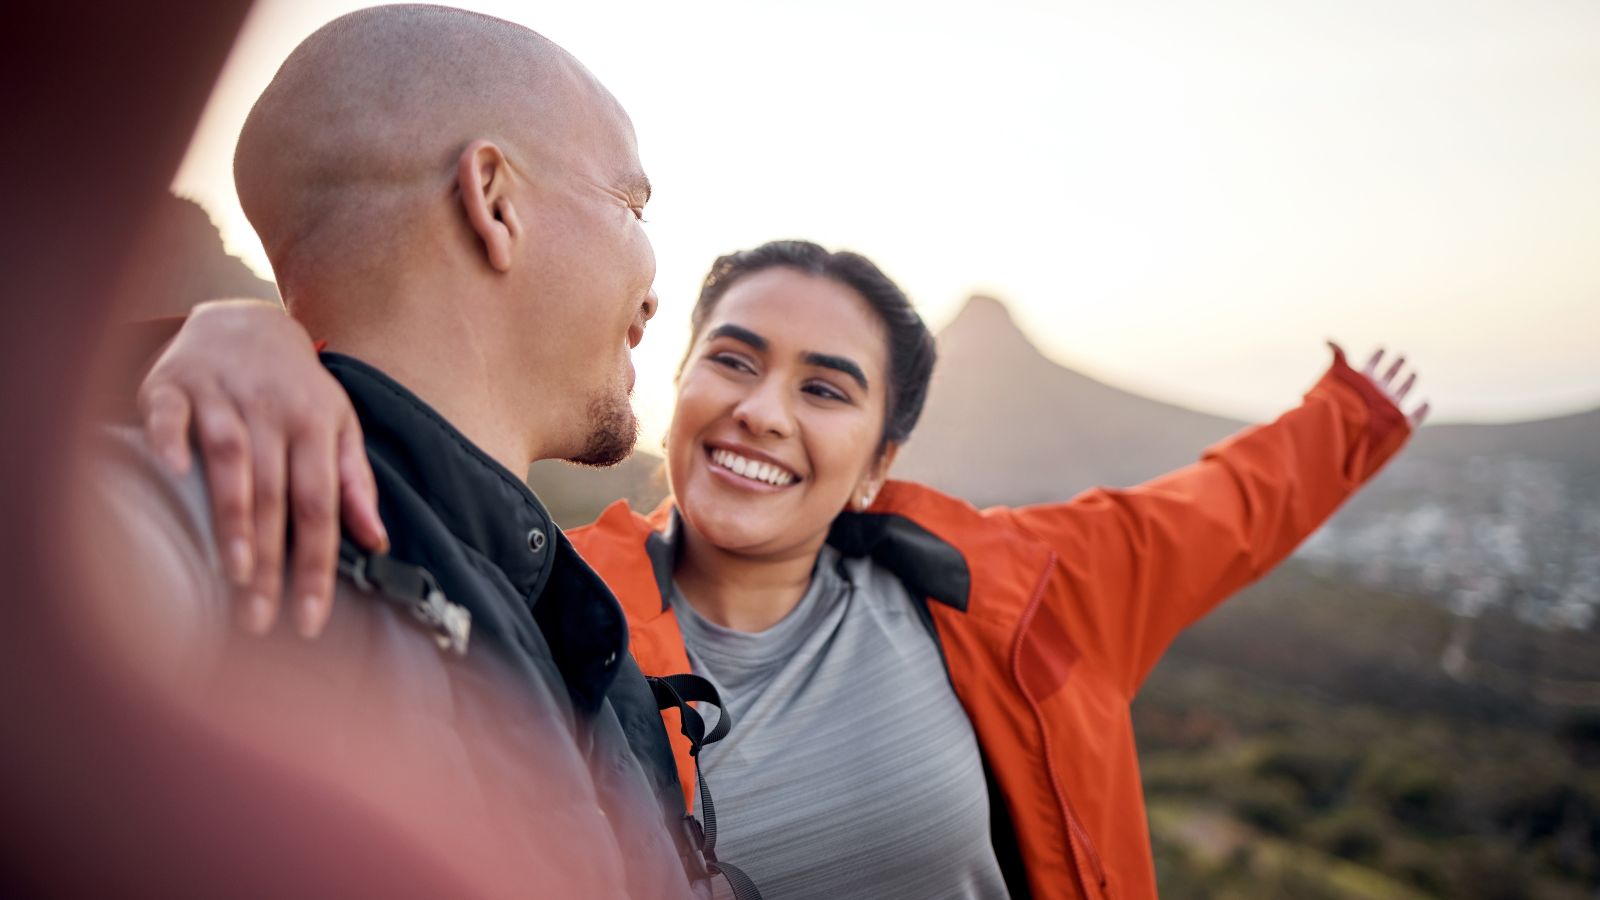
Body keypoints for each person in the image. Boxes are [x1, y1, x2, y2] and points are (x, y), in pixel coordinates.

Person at [144, 237, 1425, 900]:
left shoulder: (1019, 591)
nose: (763, 410)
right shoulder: (552, 597)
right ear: (679, 386)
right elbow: (398, 449)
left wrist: (1352, 417)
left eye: (826, 388)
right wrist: (246, 338)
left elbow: (1217, 510)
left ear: (876, 461)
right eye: (735, 360)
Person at [94, 6, 724, 898]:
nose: (656, 289)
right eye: (632, 204)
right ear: (494, 199)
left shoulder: (564, 616)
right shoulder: (213, 512)